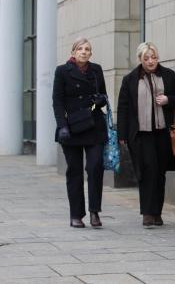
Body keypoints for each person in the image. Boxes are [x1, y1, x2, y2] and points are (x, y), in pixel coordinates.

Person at [117, 42, 175, 227]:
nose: (151, 61)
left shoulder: (168, 75)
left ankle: (157, 212)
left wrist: (168, 100)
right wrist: (122, 135)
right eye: (146, 58)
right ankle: (147, 213)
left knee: (159, 172)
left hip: (163, 133)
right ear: (140, 59)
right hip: (141, 134)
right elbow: (123, 108)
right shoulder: (130, 79)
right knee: (147, 170)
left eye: (154, 57)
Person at [53, 37, 109, 228]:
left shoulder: (96, 70)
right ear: (73, 52)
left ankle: (94, 212)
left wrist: (101, 100)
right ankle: (76, 215)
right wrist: (62, 126)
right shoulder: (62, 71)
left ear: (91, 53)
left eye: (87, 49)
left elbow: (103, 94)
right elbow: (57, 101)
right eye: (80, 49)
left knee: (95, 167)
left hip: (94, 125)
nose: (84, 52)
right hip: (72, 127)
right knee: (74, 171)